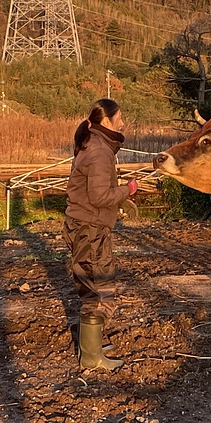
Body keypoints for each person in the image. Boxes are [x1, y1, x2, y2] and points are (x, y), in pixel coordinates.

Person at [63, 98, 137, 370]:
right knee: (95, 288)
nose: (122, 122)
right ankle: (92, 357)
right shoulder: (99, 151)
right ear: (106, 121)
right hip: (89, 229)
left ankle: (91, 343)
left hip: (86, 226)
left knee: (97, 285)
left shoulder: (95, 145)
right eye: (119, 117)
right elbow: (99, 196)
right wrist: (128, 190)